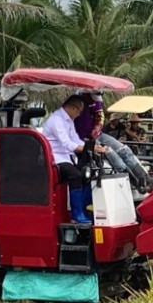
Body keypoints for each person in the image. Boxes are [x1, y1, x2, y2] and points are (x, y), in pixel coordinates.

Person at [42, 95, 107, 224]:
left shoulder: (68, 120)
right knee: (75, 175)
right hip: (55, 157)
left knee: (88, 173)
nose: (79, 115)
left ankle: (83, 208)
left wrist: (92, 147)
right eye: (78, 111)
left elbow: (75, 139)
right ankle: (77, 214)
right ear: (72, 108)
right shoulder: (56, 120)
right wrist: (88, 149)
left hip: (66, 156)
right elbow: (67, 143)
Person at [74, 95, 153, 192]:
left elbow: (100, 117)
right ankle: (136, 183)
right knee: (113, 156)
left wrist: (97, 127)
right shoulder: (78, 102)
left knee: (124, 150)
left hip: (97, 134)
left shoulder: (97, 100)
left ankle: (146, 179)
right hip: (84, 138)